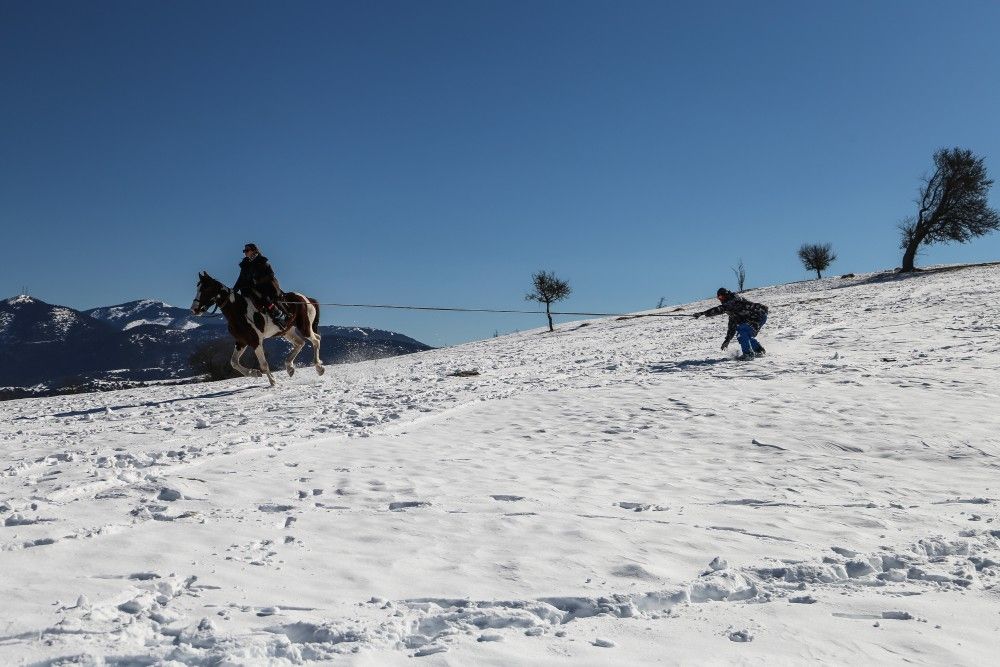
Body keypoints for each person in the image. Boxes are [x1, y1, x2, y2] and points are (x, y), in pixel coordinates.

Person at [692, 288, 768, 360]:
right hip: (757, 317)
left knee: (742, 331)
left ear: (726, 295)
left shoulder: (734, 300)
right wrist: (727, 340)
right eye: (719, 298)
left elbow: (720, 309)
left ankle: (748, 354)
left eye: (722, 297)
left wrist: (702, 313)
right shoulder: (732, 310)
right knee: (744, 332)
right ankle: (759, 351)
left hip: (758, 315)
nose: (721, 299)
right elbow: (732, 326)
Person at [234, 243, 289, 327]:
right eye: (244, 251)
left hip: (264, 287)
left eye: (247, 250)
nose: (245, 252)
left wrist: (258, 281)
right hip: (249, 288)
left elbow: (271, 274)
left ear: (254, 250)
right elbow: (240, 279)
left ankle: (279, 316)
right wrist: (234, 290)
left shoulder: (262, 261)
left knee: (263, 298)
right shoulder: (245, 265)